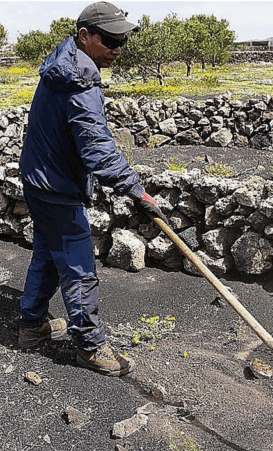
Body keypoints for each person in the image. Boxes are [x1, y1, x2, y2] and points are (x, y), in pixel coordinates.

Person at [17, 1, 168, 377]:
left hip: (39, 179)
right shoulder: (80, 80)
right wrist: (137, 192)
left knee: (49, 255)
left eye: (123, 41)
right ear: (85, 36)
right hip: (56, 188)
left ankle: (32, 326)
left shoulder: (63, 61)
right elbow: (98, 150)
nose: (118, 48)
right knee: (79, 266)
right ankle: (89, 346)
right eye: (111, 41)